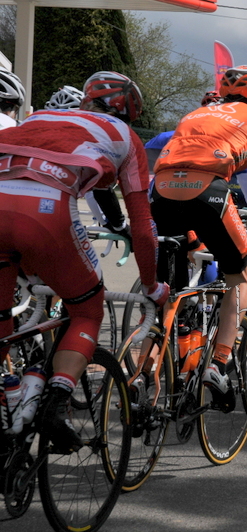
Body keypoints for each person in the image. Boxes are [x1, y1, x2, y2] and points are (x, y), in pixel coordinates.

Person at [0, 70, 167, 451]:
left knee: (4, 315)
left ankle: (9, 400)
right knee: (86, 310)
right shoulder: (126, 138)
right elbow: (143, 227)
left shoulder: (37, 117)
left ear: (86, 99)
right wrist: (153, 285)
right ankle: (55, 404)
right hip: (45, 212)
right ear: (130, 113)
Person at [152, 65, 247, 409]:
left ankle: (150, 367)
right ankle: (218, 364)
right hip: (207, 190)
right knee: (238, 275)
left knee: (171, 288)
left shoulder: (196, 112)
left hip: (161, 190)